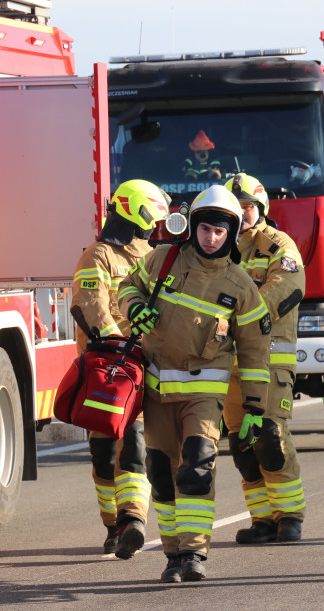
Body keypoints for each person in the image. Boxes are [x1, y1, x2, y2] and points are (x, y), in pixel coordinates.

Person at [118, 184, 271, 583]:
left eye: (220, 231)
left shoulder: (241, 287)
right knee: (161, 473)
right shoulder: (163, 259)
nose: (211, 237)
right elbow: (127, 286)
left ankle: (194, 553)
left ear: (231, 233)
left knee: (197, 468)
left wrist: (254, 407)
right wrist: (135, 308)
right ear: (193, 228)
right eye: (205, 229)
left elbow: (255, 353)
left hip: (203, 394)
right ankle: (171, 555)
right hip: (156, 389)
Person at [71, 179, 169, 559]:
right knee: (102, 452)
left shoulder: (155, 256)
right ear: (133, 211)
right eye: (150, 217)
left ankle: (133, 520)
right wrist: (116, 347)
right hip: (105, 371)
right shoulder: (98, 256)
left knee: (134, 445)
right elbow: (89, 305)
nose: (152, 226)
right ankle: (113, 526)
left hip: (139, 370)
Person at [223, 174, 307, 544]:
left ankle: (289, 516)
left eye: (247, 208)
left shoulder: (278, 246)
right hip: (227, 365)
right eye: (234, 208)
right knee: (241, 443)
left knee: (270, 436)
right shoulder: (213, 247)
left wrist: (236, 316)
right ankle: (262, 521)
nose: (241, 215)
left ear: (260, 210)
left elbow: (286, 288)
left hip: (269, 362)